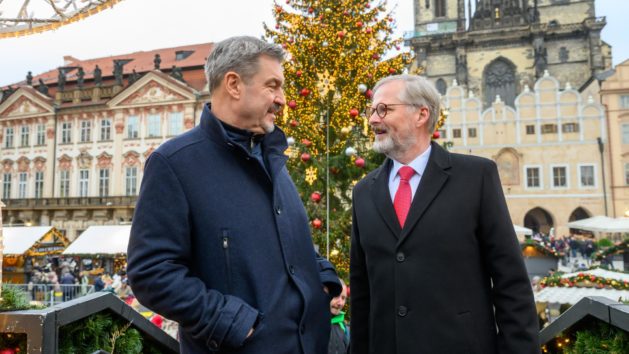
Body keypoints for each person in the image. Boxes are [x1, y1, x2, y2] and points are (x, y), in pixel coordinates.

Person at [127, 36, 341, 354]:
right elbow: (150, 273)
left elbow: (293, 246)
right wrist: (231, 322)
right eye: (273, 85)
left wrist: (324, 281)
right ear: (234, 84)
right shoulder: (174, 163)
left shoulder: (273, 160)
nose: (283, 99)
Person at [350, 74, 540, 354]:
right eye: (371, 111)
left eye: (384, 109)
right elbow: (362, 291)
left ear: (421, 114)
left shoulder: (476, 177)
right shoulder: (364, 191)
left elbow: (510, 281)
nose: (373, 120)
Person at [328, 279, 349, 354]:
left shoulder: (346, 330)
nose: (340, 303)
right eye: (336, 296)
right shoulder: (311, 325)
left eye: (343, 298)